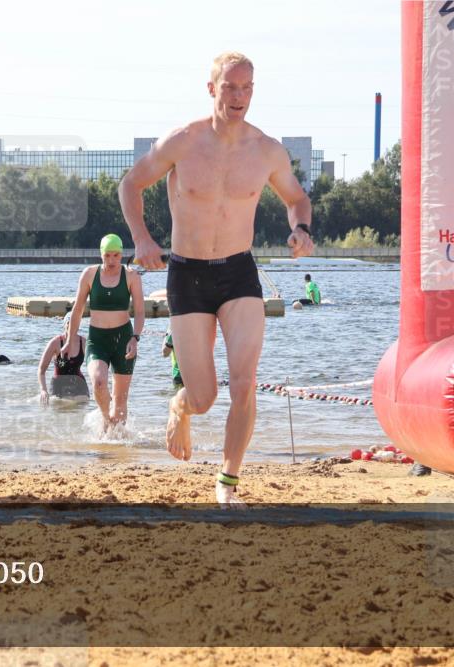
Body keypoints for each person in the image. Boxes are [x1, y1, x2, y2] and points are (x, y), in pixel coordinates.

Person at [119, 52, 314, 506]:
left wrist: (301, 229)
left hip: (239, 273)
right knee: (204, 397)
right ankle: (179, 406)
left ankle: (228, 484)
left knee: (244, 383)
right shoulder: (182, 141)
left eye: (247, 88)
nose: (239, 96)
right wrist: (143, 240)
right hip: (187, 275)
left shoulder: (267, 150)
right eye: (230, 87)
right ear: (212, 89)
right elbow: (130, 184)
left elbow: (297, 198)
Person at [63, 234, 145, 432]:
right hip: (98, 340)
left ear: (121, 254)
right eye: (107, 256)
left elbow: (140, 312)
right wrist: (69, 340)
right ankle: (105, 420)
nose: (111, 261)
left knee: (120, 399)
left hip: (123, 339)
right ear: (101, 255)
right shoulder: (89, 275)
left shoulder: (132, 276)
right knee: (99, 382)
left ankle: (119, 443)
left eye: (116, 256)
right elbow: (77, 309)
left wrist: (135, 338)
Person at [38, 312, 89, 404]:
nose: (72, 327)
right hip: (59, 384)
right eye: (69, 324)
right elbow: (41, 370)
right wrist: (43, 390)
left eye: (75, 324)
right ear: (65, 324)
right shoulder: (55, 343)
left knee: (80, 412)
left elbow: (94, 366)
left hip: (78, 383)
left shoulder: (84, 342)